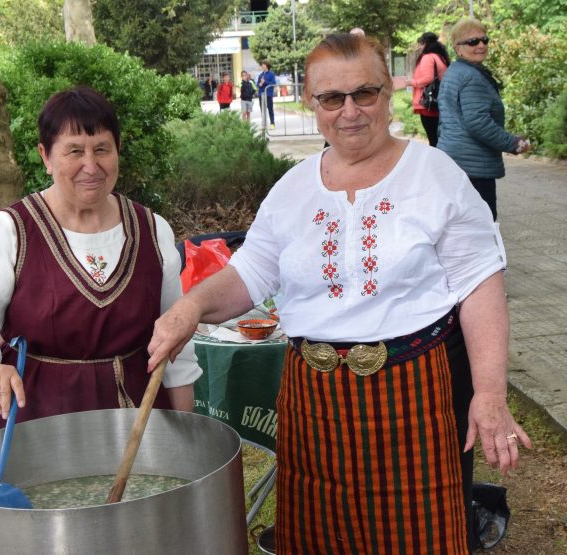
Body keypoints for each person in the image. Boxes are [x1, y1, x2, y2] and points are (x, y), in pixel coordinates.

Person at [147, 33, 531, 554]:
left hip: (413, 391)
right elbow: (249, 273)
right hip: (313, 396)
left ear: (388, 95)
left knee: (418, 539)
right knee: (319, 539)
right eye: (332, 98)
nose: (349, 111)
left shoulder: (437, 175)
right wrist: (190, 306)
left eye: (364, 94)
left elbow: (481, 286)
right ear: (313, 104)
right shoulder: (292, 189)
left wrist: (488, 395)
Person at [0, 86, 201, 435]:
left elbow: (175, 344)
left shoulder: (152, 231)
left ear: (118, 149)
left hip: (138, 428)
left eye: (102, 149)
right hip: (38, 427)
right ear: (45, 156)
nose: (90, 166)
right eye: (74, 151)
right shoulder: (9, 232)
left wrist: (187, 438)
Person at [438, 17, 530, 221]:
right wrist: (512, 143)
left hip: (453, 160)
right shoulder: (472, 77)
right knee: (482, 227)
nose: (480, 45)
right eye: (472, 42)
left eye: (484, 40)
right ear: (458, 48)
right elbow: (478, 123)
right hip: (474, 167)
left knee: (460, 226)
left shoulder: (455, 72)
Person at [407, 32, 450, 146]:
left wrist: (411, 82)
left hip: (429, 104)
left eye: (420, 44)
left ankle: (436, 162)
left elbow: (428, 78)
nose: (420, 48)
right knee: (438, 138)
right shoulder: (441, 57)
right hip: (439, 102)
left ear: (425, 44)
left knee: (433, 139)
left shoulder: (428, 57)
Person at [257, 61, 277, 128]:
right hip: (261, 94)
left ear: (267, 66)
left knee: (270, 109)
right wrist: (260, 84)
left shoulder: (271, 74)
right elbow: (258, 84)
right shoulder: (260, 75)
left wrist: (265, 82)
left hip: (268, 94)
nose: (262, 66)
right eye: (261, 65)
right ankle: (264, 124)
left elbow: (273, 83)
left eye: (263, 65)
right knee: (262, 110)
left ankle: (272, 123)